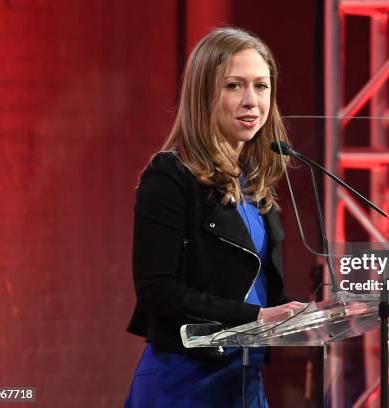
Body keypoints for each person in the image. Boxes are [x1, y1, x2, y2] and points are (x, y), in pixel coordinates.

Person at [124, 27, 304, 408]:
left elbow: (249, 287)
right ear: (204, 94)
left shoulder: (254, 183)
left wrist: (306, 314)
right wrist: (258, 317)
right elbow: (158, 291)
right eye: (234, 86)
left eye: (262, 86)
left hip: (245, 380)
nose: (252, 102)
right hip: (186, 382)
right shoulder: (170, 177)